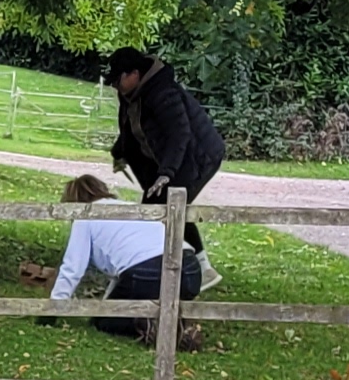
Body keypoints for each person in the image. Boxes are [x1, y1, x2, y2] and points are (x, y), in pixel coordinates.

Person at [46, 172, 207, 344]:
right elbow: (122, 273)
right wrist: (106, 304)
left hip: (147, 272)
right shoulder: (131, 207)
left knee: (106, 322)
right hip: (190, 268)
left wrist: (52, 309)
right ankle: (175, 325)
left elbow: (72, 268)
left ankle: (152, 327)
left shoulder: (84, 216)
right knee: (155, 303)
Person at [107, 46, 224, 212]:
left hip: (199, 155)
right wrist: (119, 151)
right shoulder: (130, 94)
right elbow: (133, 127)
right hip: (170, 157)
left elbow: (179, 133)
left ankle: (172, 237)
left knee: (167, 209)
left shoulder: (163, 92)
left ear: (134, 74)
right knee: (159, 210)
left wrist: (166, 173)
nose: (115, 86)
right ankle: (170, 237)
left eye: (117, 80)